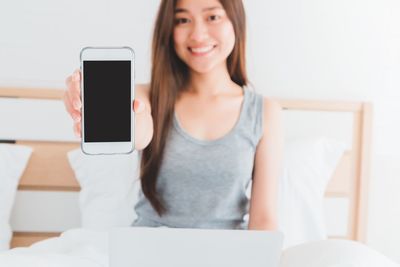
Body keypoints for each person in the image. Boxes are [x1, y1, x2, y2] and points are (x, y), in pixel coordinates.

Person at [64, 0, 283, 230]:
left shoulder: (264, 112)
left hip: (224, 255)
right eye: (182, 20)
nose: (198, 34)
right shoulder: (147, 96)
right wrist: (86, 98)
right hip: (150, 251)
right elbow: (138, 132)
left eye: (213, 17)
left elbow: (264, 218)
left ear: (236, 23)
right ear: (169, 29)